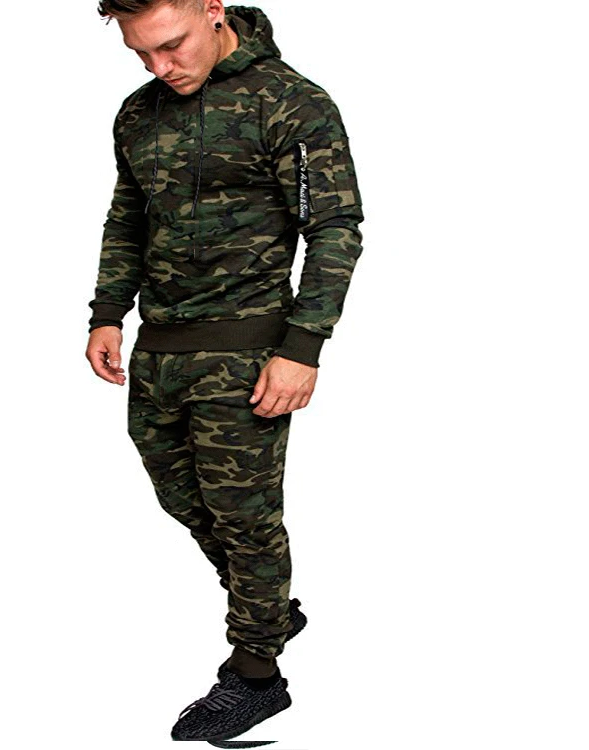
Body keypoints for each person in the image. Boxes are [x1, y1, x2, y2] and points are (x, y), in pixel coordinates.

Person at [84, 0, 364, 744]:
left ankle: (256, 673)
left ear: (212, 8)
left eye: (171, 46)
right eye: (141, 53)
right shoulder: (138, 113)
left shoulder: (291, 102)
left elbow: (335, 227)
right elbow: (128, 216)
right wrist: (108, 311)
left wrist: (302, 347)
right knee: (183, 498)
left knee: (244, 515)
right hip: (160, 346)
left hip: (247, 348)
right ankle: (268, 606)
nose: (160, 67)